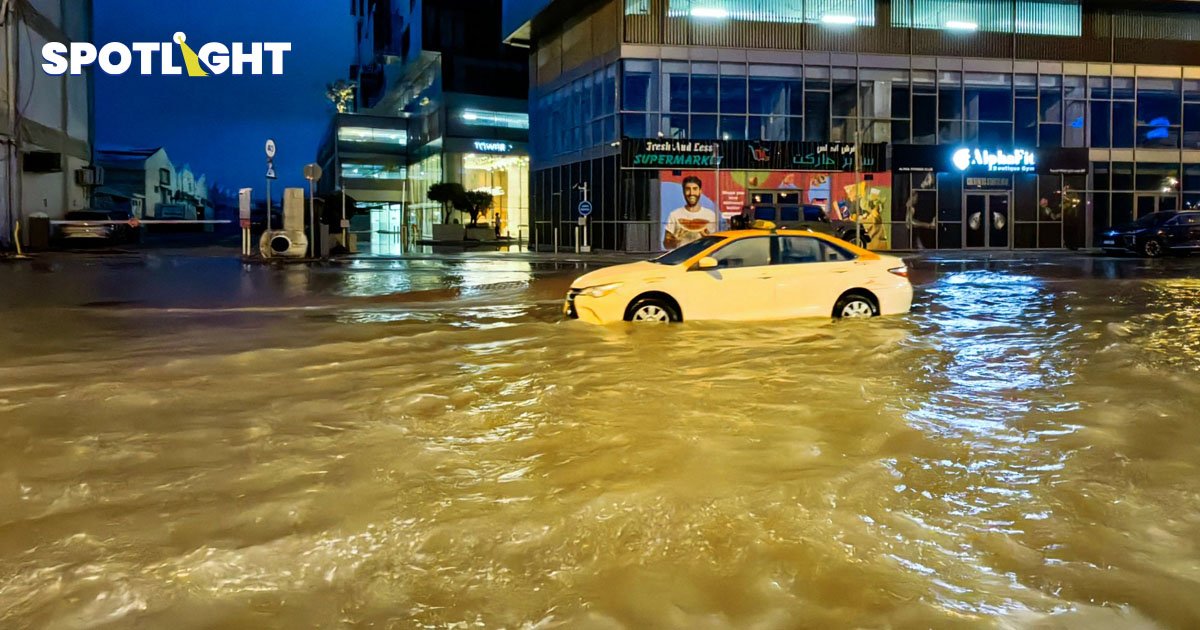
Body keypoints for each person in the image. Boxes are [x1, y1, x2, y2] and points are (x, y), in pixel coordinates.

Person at [663, 176, 718, 250]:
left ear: (700, 191)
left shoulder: (710, 215)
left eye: (695, 189)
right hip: (681, 258)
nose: (691, 193)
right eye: (688, 189)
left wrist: (707, 238)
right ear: (683, 191)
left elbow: (715, 245)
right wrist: (674, 241)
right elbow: (667, 246)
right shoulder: (674, 215)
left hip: (702, 258)